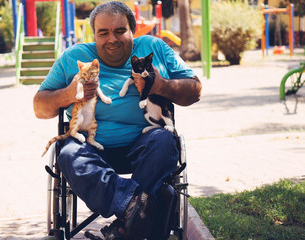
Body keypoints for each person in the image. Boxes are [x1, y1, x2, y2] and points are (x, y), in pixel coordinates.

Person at [33, 1, 201, 239]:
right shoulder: (74, 57)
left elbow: (195, 89)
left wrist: (160, 85)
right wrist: (68, 93)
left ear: (133, 30)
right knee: (68, 154)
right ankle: (134, 209)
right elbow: (39, 107)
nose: (112, 38)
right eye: (103, 32)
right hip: (89, 145)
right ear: (95, 35)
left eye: (120, 31)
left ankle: (126, 222)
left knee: (165, 142)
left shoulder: (155, 47)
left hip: (145, 142)